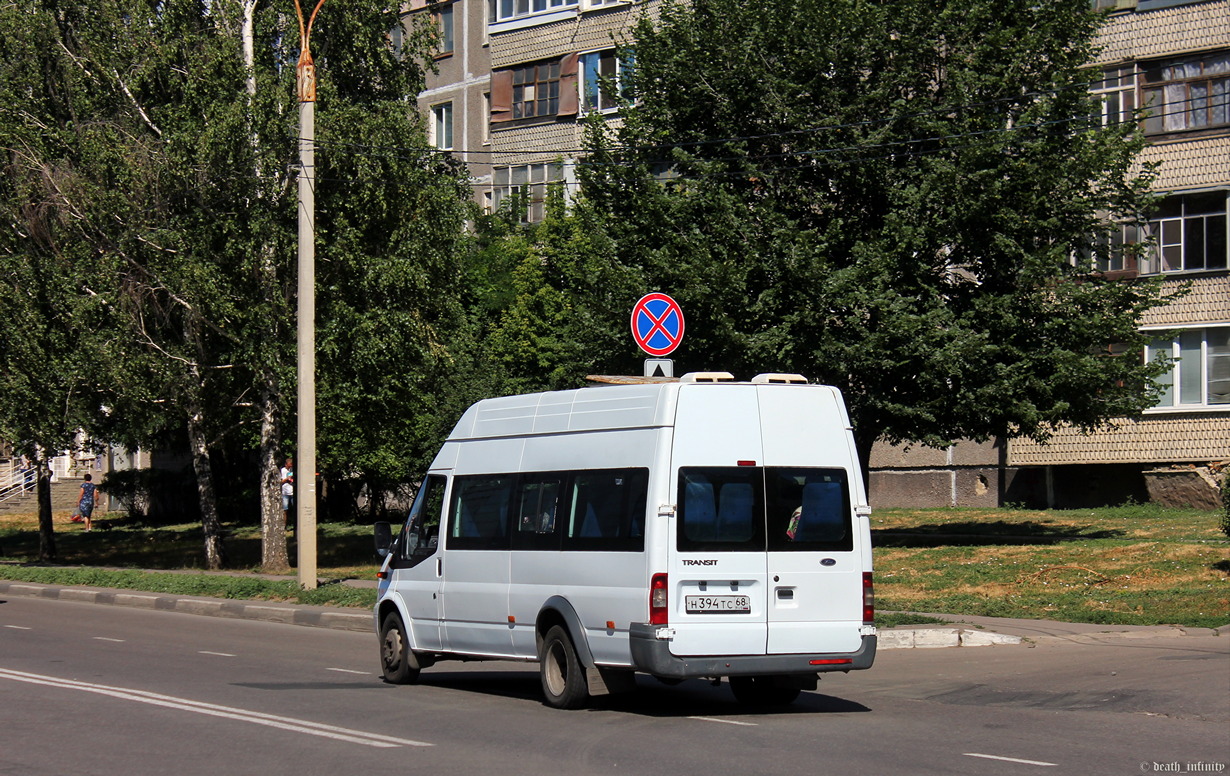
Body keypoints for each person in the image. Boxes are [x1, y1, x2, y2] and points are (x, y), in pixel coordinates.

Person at [280, 457, 295, 529]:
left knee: (295, 509)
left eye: (291, 464)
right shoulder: (283, 470)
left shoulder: (292, 470)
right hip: (285, 492)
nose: (291, 466)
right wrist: (287, 479)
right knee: (285, 509)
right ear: (286, 464)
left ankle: (296, 525)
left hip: (292, 492)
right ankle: (284, 526)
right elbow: (281, 481)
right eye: (289, 464)